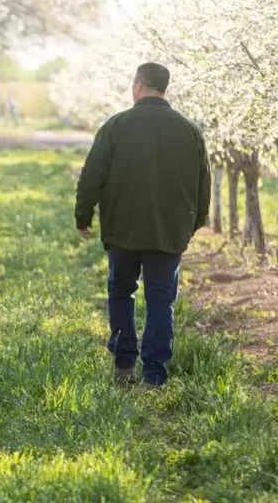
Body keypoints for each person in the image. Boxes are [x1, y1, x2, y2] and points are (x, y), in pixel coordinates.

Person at [74, 63, 209, 388]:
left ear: (138, 85)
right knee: (161, 298)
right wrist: (193, 224)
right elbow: (203, 184)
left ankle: (124, 365)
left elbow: (92, 174)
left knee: (121, 291)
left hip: (123, 228)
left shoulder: (117, 125)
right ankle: (155, 374)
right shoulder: (189, 131)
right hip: (169, 231)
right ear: (164, 88)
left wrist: (84, 215)